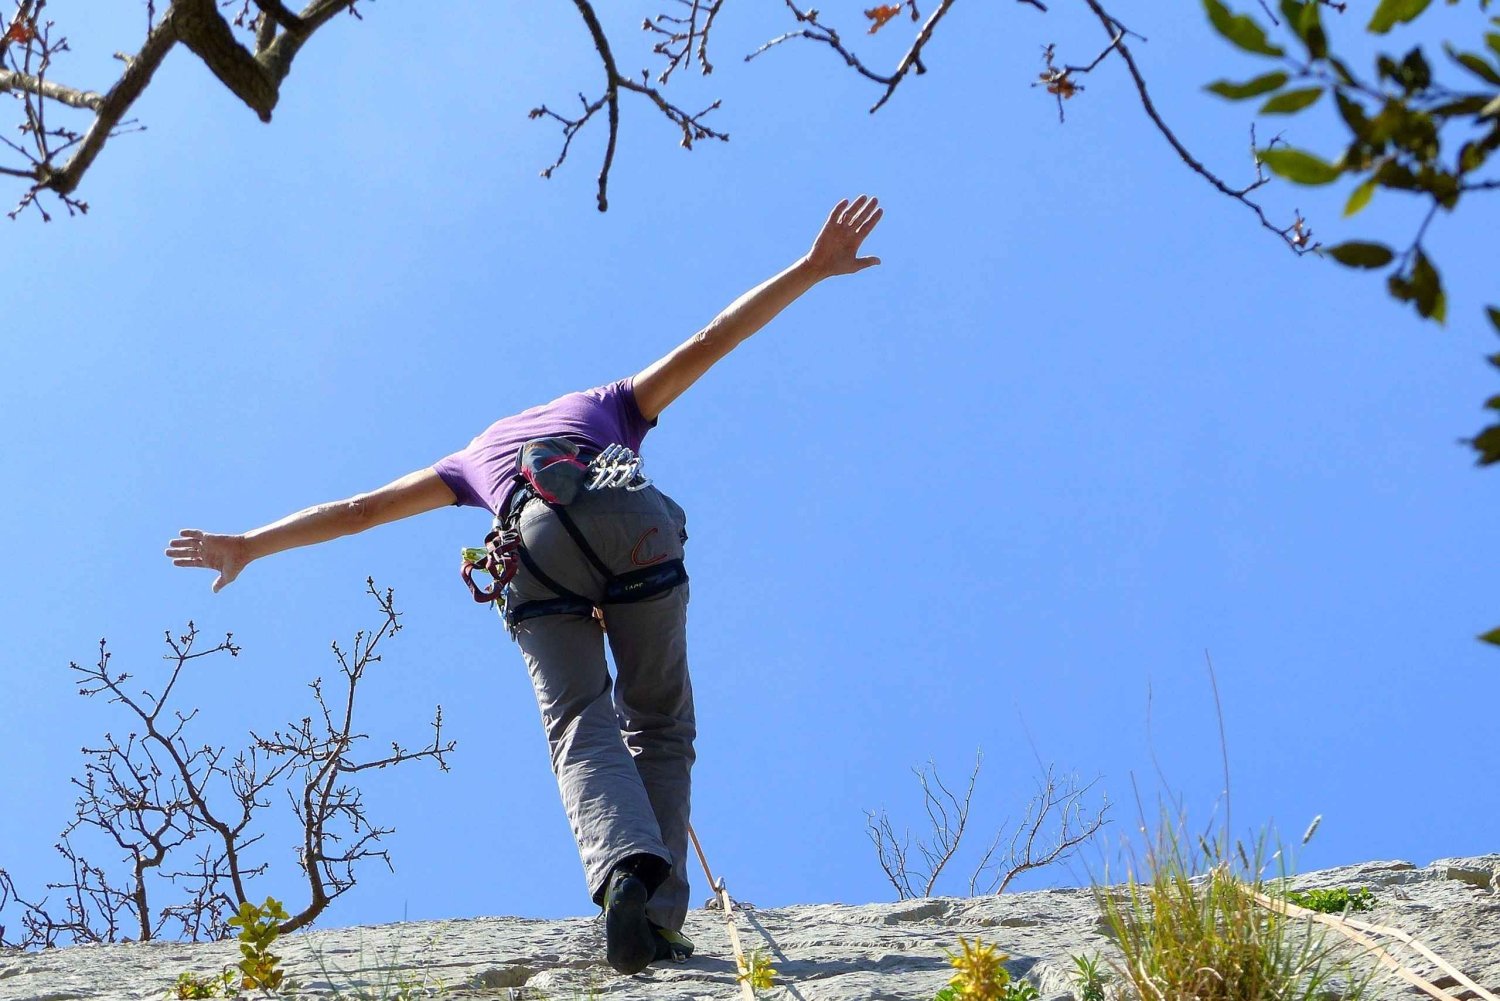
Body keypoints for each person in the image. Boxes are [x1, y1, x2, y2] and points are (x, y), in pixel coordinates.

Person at [164, 195, 884, 974]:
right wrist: (810, 269)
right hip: (626, 516)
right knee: (660, 724)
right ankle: (663, 915)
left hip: (529, 548)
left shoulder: (471, 457)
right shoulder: (605, 403)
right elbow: (712, 341)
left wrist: (249, 544)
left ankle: (623, 877)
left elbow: (358, 511)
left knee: (581, 720)